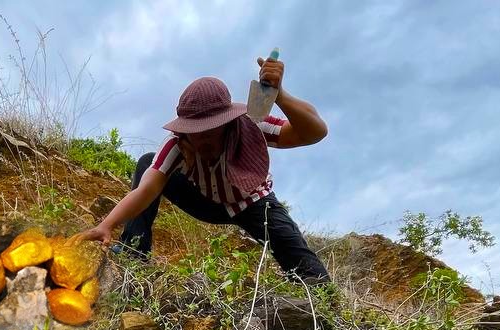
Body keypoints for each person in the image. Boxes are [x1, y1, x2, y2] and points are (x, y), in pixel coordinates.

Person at [77, 57, 331, 280]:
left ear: (226, 122)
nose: (203, 140)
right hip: (207, 201)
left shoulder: (250, 125)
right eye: (196, 133)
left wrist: (281, 96)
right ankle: (134, 252)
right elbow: (146, 190)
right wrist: (106, 225)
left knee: (313, 275)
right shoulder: (177, 144)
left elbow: (314, 132)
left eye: (211, 131)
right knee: (148, 163)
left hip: (253, 202)